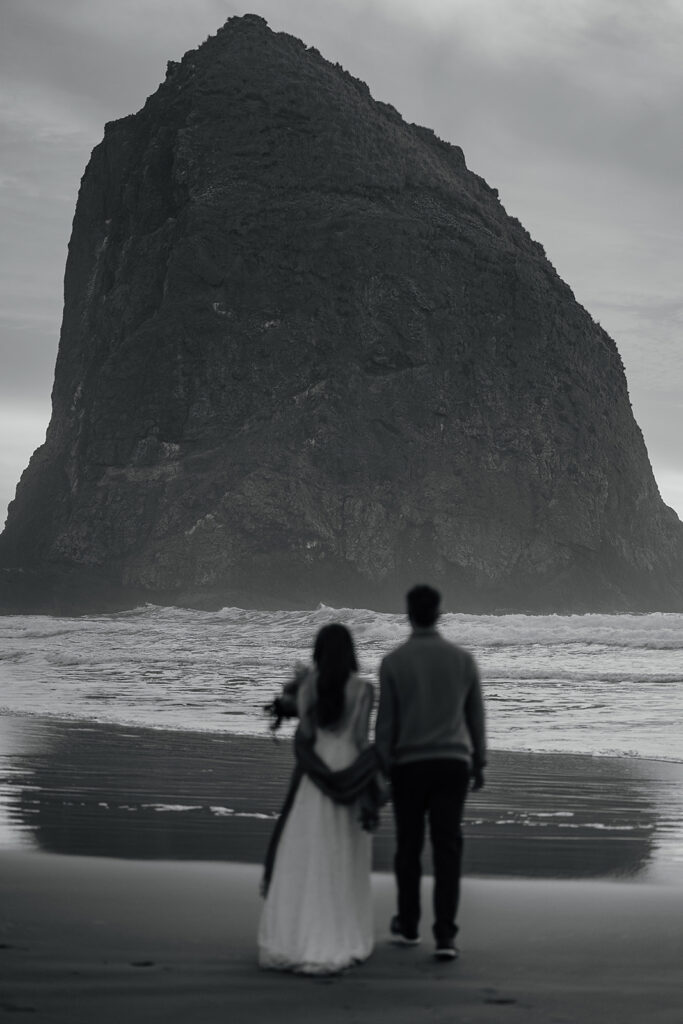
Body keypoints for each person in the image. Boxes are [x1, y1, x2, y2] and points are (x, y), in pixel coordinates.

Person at [258, 623, 383, 975]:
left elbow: (308, 736)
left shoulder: (310, 687)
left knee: (310, 852)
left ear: (318, 653)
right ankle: (340, 936)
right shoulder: (364, 690)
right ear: (351, 653)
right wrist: (369, 781)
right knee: (344, 855)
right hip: (348, 767)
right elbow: (360, 740)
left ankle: (300, 938)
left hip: (316, 775)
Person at [375, 584, 486, 961]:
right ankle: (445, 936)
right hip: (452, 764)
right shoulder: (463, 660)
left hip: (408, 765)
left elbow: (386, 725)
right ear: (439, 613)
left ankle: (408, 925)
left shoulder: (393, 662)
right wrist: (480, 762)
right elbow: (475, 719)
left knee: (408, 846)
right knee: (448, 848)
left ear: (408, 614)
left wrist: (382, 767)